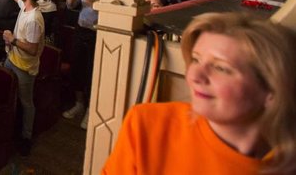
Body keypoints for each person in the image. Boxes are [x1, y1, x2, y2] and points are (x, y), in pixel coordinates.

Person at [103, 13, 296, 175]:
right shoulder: (148, 124)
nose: (194, 75)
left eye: (221, 68)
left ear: (272, 89)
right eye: (195, 60)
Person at [63, 0, 115, 129]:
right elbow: (70, 6)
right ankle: (79, 104)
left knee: (92, 71)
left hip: (97, 33)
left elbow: (102, 9)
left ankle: (91, 109)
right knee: (77, 67)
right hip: (81, 30)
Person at [1, 0, 46, 155]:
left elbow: (33, 49)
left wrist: (13, 40)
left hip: (25, 67)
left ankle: (26, 136)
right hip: (12, 59)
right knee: (8, 95)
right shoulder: (25, 6)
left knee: (26, 102)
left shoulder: (34, 18)